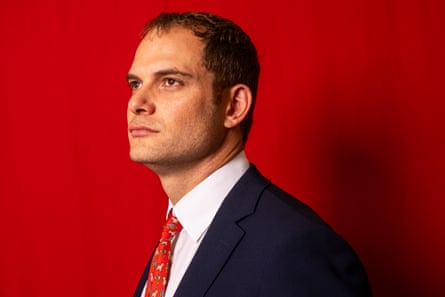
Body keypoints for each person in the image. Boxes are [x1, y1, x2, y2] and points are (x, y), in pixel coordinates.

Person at [126, 11, 372, 297]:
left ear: (234, 106)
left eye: (170, 81)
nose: (137, 103)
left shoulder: (297, 248)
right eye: (135, 84)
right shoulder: (174, 237)